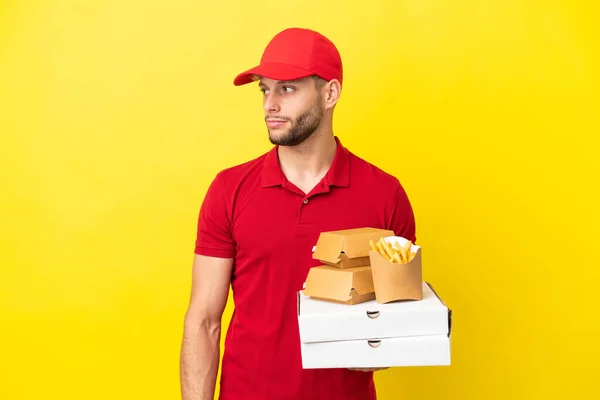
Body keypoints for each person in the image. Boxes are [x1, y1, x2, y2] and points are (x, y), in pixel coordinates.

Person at [180, 27, 417, 400]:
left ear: (330, 93)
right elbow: (204, 322)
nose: (269, 104)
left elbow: (399, 320)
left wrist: (378, 345)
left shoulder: (385, 195)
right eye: (265, 89)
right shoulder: (229, 190)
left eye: (286, 89)